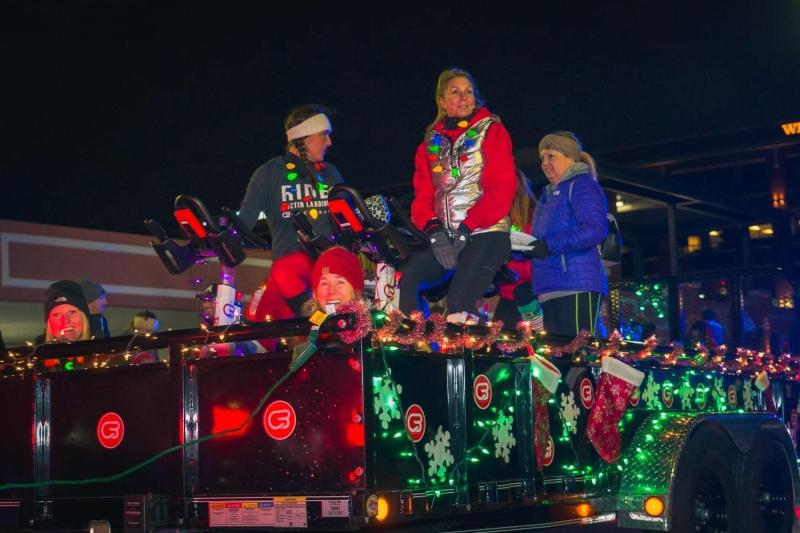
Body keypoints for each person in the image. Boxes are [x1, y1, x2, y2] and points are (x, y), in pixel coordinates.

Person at [398, 67, 517, 324]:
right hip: (449, 238)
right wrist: (433, 230)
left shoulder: (492, 131)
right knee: (408, 277)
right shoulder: (429, 144)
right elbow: (423, 196)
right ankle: (415, 341)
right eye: (455, 92)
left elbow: (502, 187)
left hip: (486, 233)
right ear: (442, 101)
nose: (464, 98)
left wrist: (468, 226)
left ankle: (470, 356)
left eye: (468, 92)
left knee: (459, 304)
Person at [238, 104, 344, 322]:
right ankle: (316, 321)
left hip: (327, 267)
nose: (329, 142)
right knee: (281, 274)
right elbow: (243, 224)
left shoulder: (330, 173)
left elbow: (347, 221)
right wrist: (217, 237)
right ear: (303, 137)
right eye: (324, 135)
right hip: (290, 274)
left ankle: (322, 323)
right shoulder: (269, 173)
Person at [528, 131, 608, 337]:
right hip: (548, 286)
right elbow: (541, 242)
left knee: (580, 355)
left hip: (576, 285)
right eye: (542, 158)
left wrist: (548, 246)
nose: (544, 163)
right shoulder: (547, 195)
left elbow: (595, 229)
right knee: (561, 358)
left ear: (570, 157)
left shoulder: (582, 185)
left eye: (551, 156)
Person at [493, 169, 542, 327]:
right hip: (508, 294)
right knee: (497, 345)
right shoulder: (497, 219)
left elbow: (539, 262)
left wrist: (511, 263)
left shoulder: (536, 219)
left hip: (530, 296)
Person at [302, 246, 365, 316]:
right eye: (324, 283)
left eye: (340, 282)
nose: (331, 291)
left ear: (356, 291)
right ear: (315, 294)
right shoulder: (309, 325)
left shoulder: (371, 325)